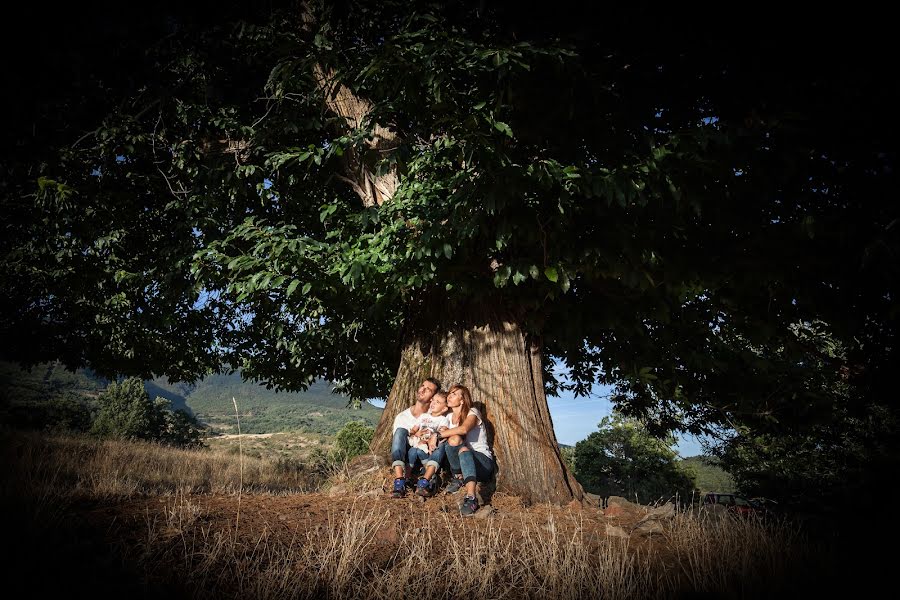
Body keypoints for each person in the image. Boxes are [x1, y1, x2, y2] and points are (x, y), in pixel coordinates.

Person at [438, 384, 494, 516]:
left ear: (462, 400)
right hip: (462, 464)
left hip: (482, 463)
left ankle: (471, 498)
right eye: (449, 393)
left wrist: (442, 434)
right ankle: (458, 477)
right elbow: (445, 434)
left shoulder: (472, 412)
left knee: (462, 447)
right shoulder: (448, 418)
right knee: (453, 440)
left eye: (454, 394)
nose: (449, 396)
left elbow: (463, 429)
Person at [390, 377, 441, 498]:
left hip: (426, 453)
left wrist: (423, 436)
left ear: (433, 397)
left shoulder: (434, 415)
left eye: (428, 389)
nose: (422, 390)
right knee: (400, 431)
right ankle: (399, 481)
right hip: (407, 455)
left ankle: (428, 477)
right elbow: (400, 440)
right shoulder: (402, 417)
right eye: (422, 386)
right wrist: (415, 434)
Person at [407, 391, 451, 497]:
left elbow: (442, 431)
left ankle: (426, 478)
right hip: (418, 445)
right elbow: (413, 430)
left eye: (438, 402)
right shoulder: (423, 416)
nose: (433, 403)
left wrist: (430, 438)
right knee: (412, 451)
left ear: (444, 409)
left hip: (430, 449)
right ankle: (406, 478)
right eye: (433, 400)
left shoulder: (443, 420)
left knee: (438, 447)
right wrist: (416, 433)